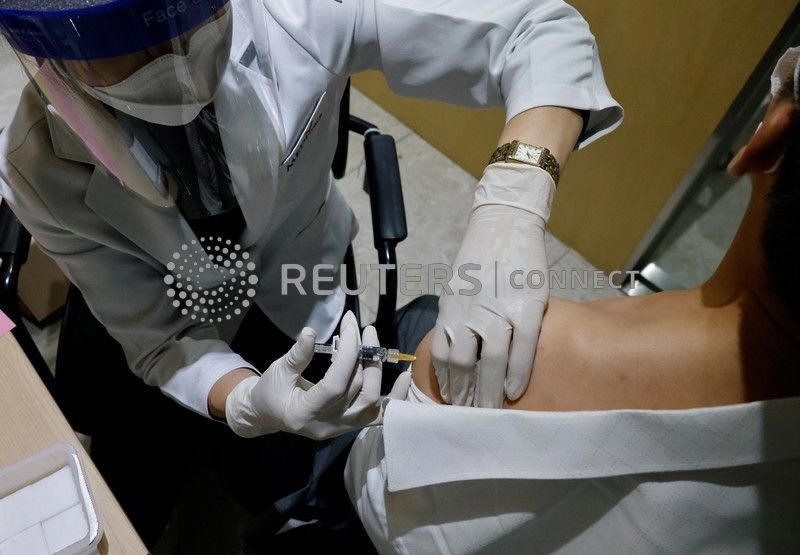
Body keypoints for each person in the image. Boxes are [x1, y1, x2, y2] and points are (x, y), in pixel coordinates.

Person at [0, 0, 620, 544]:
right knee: (154, 479)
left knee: (289, 471)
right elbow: (160, 340)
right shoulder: (36, 166)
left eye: (181, 28)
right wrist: (246, 402)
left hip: (303, 276)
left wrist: (514, 198)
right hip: (172, 307)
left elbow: (539, 31)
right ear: (53, 58)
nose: (169, 59)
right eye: (125, 52)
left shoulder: (297, 11)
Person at [345, 48, 800, 554]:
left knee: (424, 319)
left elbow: (372, 489)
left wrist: (511, 197)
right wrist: (512, 200)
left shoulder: (508, 351)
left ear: (767, 138)